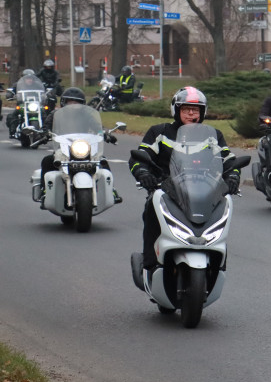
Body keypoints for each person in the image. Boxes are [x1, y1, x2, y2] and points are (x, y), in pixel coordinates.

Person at [130, 87, 240, 270]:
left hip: (205, 192)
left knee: (222, 213)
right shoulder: (159, 132)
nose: (191, 113)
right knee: (150, 212)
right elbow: (138, 157)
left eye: (195, 109)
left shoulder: (213, 136)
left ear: (202, 112)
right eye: (186, 109)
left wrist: (234, 177)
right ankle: (150, 264)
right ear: (176, 110)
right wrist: (143, 174)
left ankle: (218, 265)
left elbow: (229, 161)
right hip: (165, 190)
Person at [38, 87, 119, 202]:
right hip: (63, 149)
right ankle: (44, 190)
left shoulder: (87, 115)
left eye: (76, 102)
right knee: (47, 161)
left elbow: (97, 127)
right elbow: (46, 127)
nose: (73, 105)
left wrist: (105, 134)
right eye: (70, 102)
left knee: (102, 160)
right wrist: (44, 133)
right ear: (63, 103)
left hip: (84, 148)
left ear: (82, 104)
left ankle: (112, 190)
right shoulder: (55, 114)